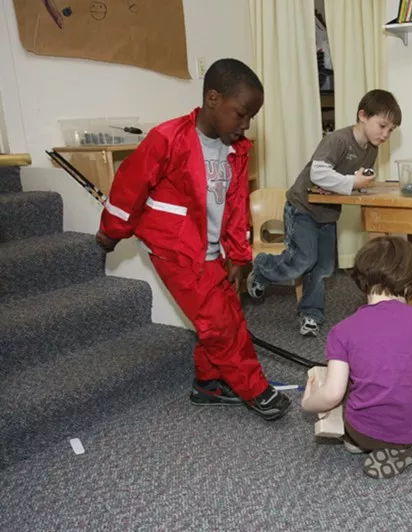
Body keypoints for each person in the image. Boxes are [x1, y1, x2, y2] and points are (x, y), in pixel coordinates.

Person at [95, 58, 291, 421]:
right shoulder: (167, 138)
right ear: (213, 99)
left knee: (226, 312)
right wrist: (110, 232)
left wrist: (238, 255)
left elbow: (234, 206)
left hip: (211, 250)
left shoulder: (237, 149)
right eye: (241, 114)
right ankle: (254, 388)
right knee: (219, 323)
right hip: (176, 250)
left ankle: (209, 384)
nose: (246, 125)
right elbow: (129, 188)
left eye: (251, 118)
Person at [247, 89, 402, 337]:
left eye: (390, 130)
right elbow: (318, 174)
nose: (385, 134)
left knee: (322, 268)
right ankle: (263, 268)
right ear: (363, 115)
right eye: (382, 126)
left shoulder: (371, 149)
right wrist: (353, 181)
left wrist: (362, 183)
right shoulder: (338, 140)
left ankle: (311, 314)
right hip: (302, 208)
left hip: (327, 213)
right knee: (303, 260)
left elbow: (354, 180)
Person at [300, 236, 412, 479]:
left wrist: (307, 403)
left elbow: (332, 394)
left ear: (361, 279)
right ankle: (408, 445)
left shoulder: (342, 330)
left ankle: (363, 442)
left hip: (365, 432)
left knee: (350, 389)